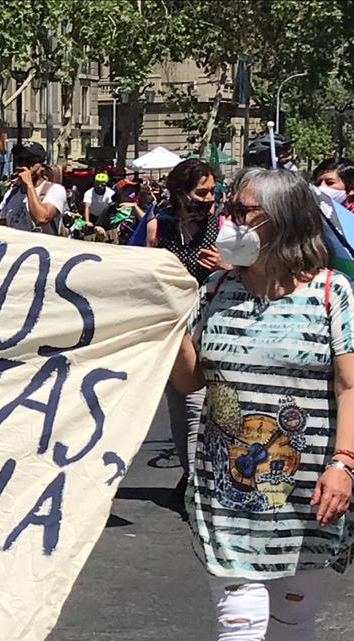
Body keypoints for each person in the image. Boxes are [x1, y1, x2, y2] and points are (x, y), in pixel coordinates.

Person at [169, 167, 354, 641]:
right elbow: (191, 380)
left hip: (311, 486)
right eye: (228, 208)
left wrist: (342, 462)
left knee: (293, 611)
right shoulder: (217, 287)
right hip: (227, 486)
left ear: (283, 222)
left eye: (243, 211)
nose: (227, 220)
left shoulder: (332, 292)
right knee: (241, 613)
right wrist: (171, 323)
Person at [146, 158, 221, 497]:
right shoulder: (158, 228)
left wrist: (226, 265)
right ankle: (190, 474)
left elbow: (250, 273)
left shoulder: (223, 226)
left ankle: (197, 479)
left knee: (199, 403)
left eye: (212, 191)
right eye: (201, 193)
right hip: (174, 326)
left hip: (213, 324)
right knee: (180, 402)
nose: (208, 199)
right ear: (179, 193)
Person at [0, 141, 67, 235]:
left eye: (30, 161)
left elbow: (42, 218)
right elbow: (2, 227)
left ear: (42, 166)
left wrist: (29, 185)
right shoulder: (11, 194)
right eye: (20, 160)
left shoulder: (55, 190)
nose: (24, 165)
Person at [312, 157, 354, 236]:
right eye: (318, 183)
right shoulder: (313, 218)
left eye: (330, 183)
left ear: (352, 189)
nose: (321, 188)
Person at [82, 171, 116, 238]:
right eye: (97, 183)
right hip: (92, 216)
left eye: (102, 183)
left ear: (106, 184)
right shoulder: (88, 193)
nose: (99, 186)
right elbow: (87, 207)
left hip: (105, 218)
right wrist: (87, 221)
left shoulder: (111, 193)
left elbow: (111, 207)